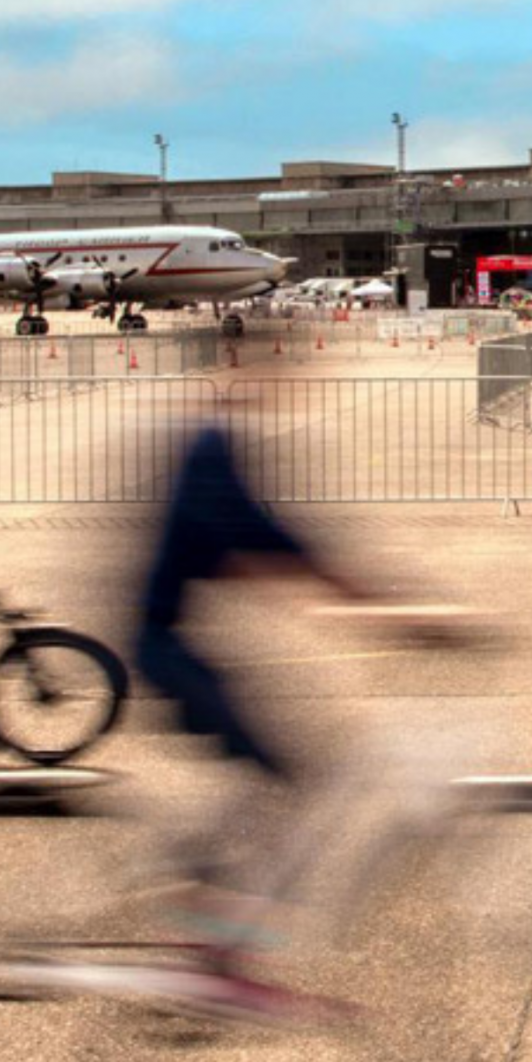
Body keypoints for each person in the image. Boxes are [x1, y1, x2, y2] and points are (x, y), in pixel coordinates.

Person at [133, 427, 383, 1014]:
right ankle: (208, 944)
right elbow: (251, 531)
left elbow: (239, 548)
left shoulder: (215, 445)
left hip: (175, 642)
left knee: (269, 772)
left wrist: (332, 589)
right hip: (163, 647)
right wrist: (358, 592)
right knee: (275, 776)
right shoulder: (211, 448)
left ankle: (198, 902)